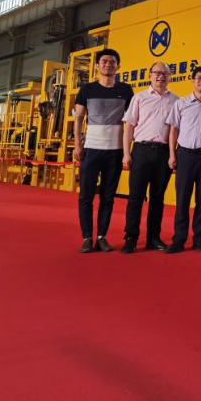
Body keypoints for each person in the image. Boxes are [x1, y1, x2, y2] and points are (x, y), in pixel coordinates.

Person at [73, 48, 134, 254]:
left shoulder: (126, 90)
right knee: (86, 196)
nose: (108, 65)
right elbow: (79, 118)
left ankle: (101, 237)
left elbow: (130, 122)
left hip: (115, 151)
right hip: (91, 150)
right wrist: (78, 145)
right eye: (104, 61)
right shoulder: (87, 90)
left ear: (118, 66)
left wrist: (127, 151)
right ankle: (87, 237)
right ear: (97, 65)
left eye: (112, 62)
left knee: (108, 197)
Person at [121, 61, 178, 253]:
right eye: (157, 73)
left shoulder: (176, 101)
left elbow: (175, 131)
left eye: (165, 73)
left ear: (169, 77)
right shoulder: (139, 97)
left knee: (157, 198)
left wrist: (172, 154)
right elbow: (129, 127)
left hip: (164, 153)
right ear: (150, 75)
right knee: (135, 198)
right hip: (141, 151)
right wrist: (126, 153)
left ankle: (153, 238)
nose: (160, 76)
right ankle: (131, 237)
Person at [165, 66, 201, 254]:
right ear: (192, 80)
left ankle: (199, 240)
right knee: (182, 200)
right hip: (185, 155)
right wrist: (172, 154)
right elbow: (173, 130)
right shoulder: (181, 103)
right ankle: (179, 240)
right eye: (199, 78)